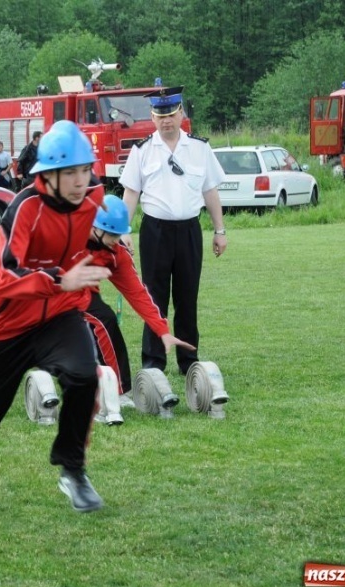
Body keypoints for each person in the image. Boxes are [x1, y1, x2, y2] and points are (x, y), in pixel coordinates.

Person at [0, 120, 110, 513]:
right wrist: (56, 279)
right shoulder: (24, 207)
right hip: (10, 324)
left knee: (86, 376)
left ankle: (73, 469)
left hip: (61, 316)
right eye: (70, 172)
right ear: (47, 175)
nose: (80, 181)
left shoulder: (93, 199)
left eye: (85, 170)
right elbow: (1, 279)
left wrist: (114, 244)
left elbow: (102, 233)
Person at [120, 86, 227, 376]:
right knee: (154, 298)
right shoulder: (141, 150)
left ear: (181, 114)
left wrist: (220, 230)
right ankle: (153, 361)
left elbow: (210, 191)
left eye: (171, 115)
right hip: (155, 231)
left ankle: (189, 360)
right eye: (159, 116)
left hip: (189, 230)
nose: (166, 121)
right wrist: (122, 229)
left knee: (187, 297)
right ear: (153, 118)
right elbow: (131, 193)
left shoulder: (200, 149)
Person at [84, 195, 195, 404]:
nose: (116, 241)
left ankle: (117, 390)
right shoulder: (68, 238)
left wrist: (162, 330)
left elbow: (138, 294)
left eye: (119, 235)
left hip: (84, 293)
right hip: (52, 291)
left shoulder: (116, 253)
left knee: (105, 321)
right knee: (101, 320)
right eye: (112, 235)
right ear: (95, 227)